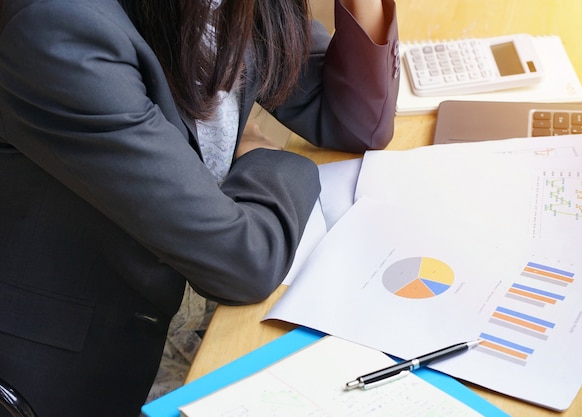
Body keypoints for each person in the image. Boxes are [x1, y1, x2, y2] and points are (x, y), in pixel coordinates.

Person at [0, 0, 400, 415]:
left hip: (201, 310)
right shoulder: (60, 26)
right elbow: (243, 262)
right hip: (91, 363)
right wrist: (264, 155)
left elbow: (356, 121)